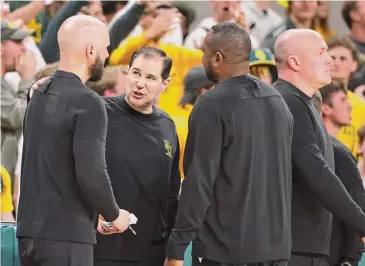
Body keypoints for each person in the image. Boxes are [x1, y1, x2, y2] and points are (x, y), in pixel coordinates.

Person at [165, 22, 294, 266]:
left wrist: (177, 246)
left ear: (217, 58)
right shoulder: (278, 101)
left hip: (227, 250)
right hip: (277, 248)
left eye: (204, 53)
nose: (202, 59)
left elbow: (199, 181)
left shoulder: (211, 103)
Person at [16, 15, 130, 266]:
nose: (108, 53)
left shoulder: (38, 93)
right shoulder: (88, 102)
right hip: (66, 239)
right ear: (91, 51)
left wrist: (92, 213)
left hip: (29, 236)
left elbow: (52, 165)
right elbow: (92, 174)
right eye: (106, 47)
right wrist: (114, 214)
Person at [273, 29, 365, 266]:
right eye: (321, 52)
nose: (329, 60)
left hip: (303, 247)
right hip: (292, 250)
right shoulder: (287, 101)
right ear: (295, 62)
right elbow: (316, 171)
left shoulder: (302, 102)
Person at [94, 47, 181, 266]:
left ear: (164, 84)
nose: (140, 83)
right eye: (136, 73)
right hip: (101, 249)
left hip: (150, 252)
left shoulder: (168, 127)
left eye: (150, 77)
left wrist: (171, 250)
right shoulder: (99, 112)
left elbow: (171, 195)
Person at [319, 82, 365, 266]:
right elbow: (357, 209)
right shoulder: (340, 153)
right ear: (326, 108)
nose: (350, 105)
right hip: (333, 255)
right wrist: (350, 258)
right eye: (343, 99)